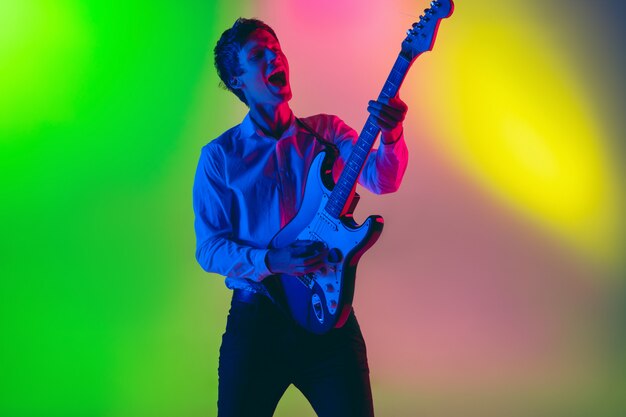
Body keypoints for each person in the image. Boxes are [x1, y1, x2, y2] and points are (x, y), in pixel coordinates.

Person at [193, 18, 409, 417]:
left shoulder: (325, 133)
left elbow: (382, 178)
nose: (274, 55)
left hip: (329, 317)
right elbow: (209, 248)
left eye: (275, 48)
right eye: (258, 54)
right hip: (258, 321)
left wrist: (392, 135)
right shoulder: (220, 158)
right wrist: (272, 261)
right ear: (238, 80)